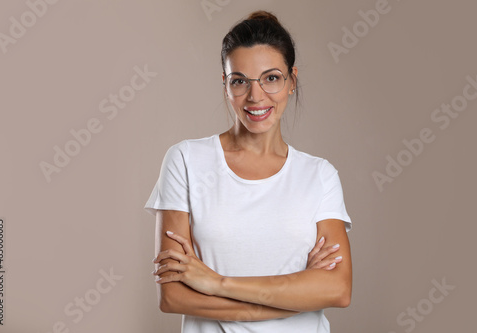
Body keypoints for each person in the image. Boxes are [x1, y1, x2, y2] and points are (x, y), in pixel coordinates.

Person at [144, 10, 352, 333]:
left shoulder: (319, 176)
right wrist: (292, 299)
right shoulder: (185, 161)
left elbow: (338, 290)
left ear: (291, 81)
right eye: (240, 81)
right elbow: (172, 296)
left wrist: (216, 282)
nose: (256, 97)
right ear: (225, 85)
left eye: (271, 78)